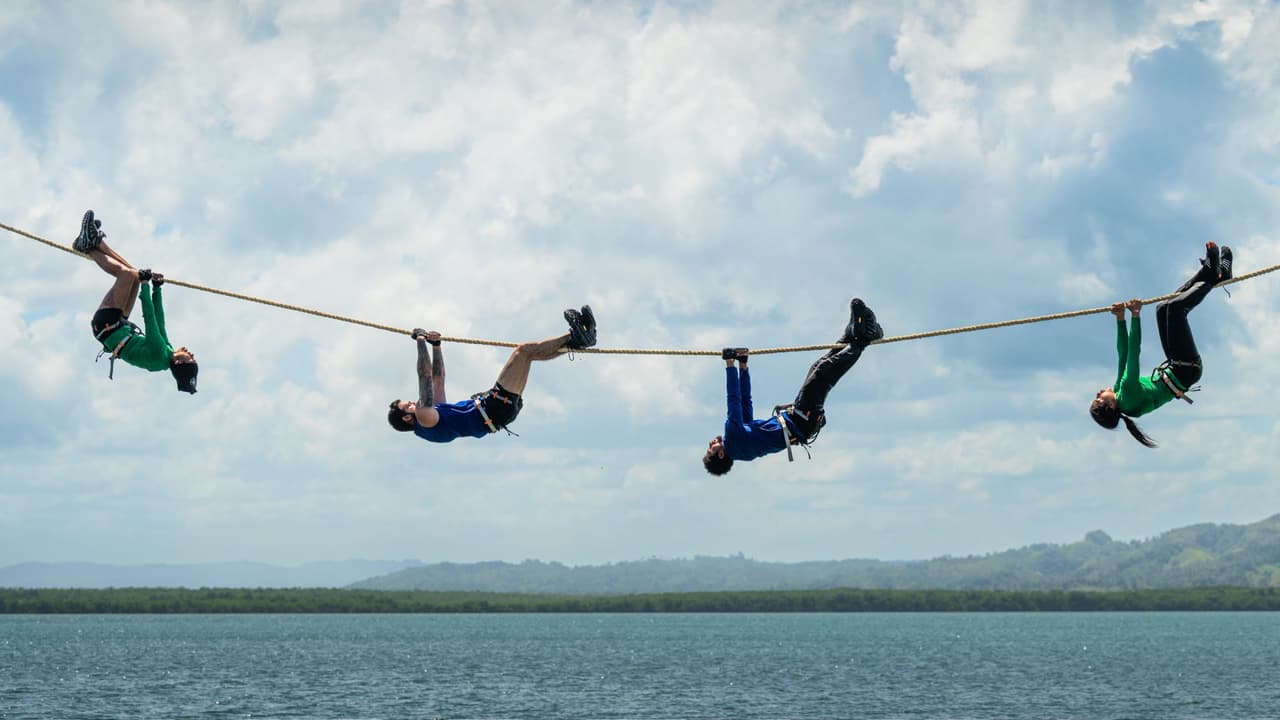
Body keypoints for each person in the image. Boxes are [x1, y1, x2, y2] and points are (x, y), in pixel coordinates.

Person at [703, 298, 883, 474]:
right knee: (822, 373)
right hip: (801, 420)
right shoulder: (733, 441)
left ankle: (854, 332)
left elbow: (744, 404)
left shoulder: (741, 446)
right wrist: (729, 365)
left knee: (818, 368)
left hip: (801, 420)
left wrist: (742, 366)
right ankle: (863, 338)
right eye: (711, 449)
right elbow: (733, 401)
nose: (711, 443)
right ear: (720, 454)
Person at [1089, 242, 1234, 447]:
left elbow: (1122, 354)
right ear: (1111, 406)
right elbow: (1133, 354)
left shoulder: (1120, 394)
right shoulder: (1127, 396)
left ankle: (1209, 272)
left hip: (1178, 367)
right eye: (1098, 399)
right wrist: (1136, 315)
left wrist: (1120, 319)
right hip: (1185, 369)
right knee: (1175, 309)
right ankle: (1214, 275)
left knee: (1162, 308)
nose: (1097, 393)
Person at [387, 306, 597, 441]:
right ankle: (574, 336)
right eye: (409, 405)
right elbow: (424, 376)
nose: (413, 403)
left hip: (497, 412)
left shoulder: (433, 418)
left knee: (528, 356)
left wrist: (436, 346)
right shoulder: (424, 418)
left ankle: (576, 341)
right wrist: (421, 341)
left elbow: (437, 381)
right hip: (493, 408)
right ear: (407, 417)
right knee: (523, 352)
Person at [73, 210, 198, 393]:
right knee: (134, 275)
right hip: (118, 324)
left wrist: (147, 285)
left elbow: (150, 319)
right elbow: (159, 319)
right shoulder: (167, 352)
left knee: (125, 275)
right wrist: (156, 288)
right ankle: (95, 242)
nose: (192, 354)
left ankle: (89, 246)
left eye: (191, 359)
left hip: (107, 326)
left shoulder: (158, 356)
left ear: (179, 363)